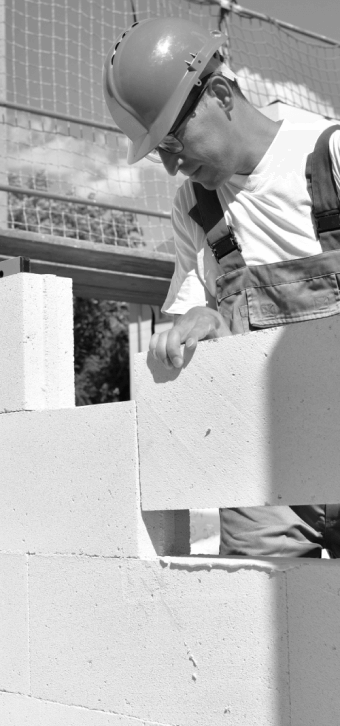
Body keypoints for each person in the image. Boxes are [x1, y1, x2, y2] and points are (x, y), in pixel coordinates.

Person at [103, 16, 340, 558]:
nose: (170, 166)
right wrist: (207, 319)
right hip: (266, 475)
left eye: (170, 141)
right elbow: (196, 316)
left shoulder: (329, 159)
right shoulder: (194, 207)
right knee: (254, 632)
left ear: (218, 94)